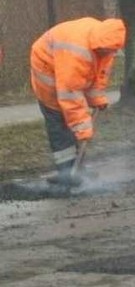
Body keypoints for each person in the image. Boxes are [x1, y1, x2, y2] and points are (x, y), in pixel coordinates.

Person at [30, 17, 126, 183]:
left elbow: (98, 75)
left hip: (67, 75)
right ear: (98, 45)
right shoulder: (77, 51)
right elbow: (69, 93)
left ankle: (78, 170)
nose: (106, 54)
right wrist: (82, 128)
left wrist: (97, 98)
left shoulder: (107, 45)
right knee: (59, 122)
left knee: (75, 125)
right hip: (47, 68)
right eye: (104, 51)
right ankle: (66, 172)